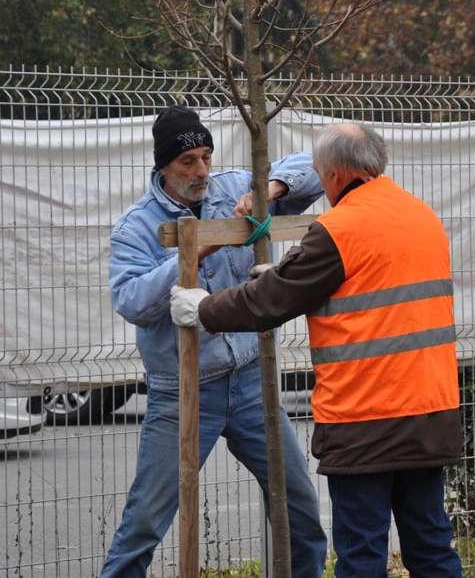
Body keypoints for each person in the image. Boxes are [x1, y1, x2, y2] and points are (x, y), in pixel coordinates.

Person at [170, 123, 464, 577]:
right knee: (431, 544)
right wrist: (285, 273)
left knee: (362, 554)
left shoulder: (339, 227)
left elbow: (270, 303)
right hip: (430, 412)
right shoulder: (420, 215)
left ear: (334, 174)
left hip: (366, 419)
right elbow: (364, 286)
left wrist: (203, 307)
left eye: (322, 174)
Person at [100, 106, 328, 578]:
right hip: (183, 391)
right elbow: (131, 300)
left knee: (298, 504)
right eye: (187, 162)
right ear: (163, 165)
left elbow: (315, 170)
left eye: (205, 157)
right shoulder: (137, 227)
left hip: (250, 381)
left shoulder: (232, 188)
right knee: (146, 520)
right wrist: (197, 247)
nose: (201, 171)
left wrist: (270, 190)